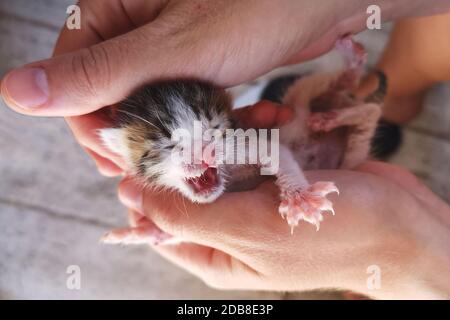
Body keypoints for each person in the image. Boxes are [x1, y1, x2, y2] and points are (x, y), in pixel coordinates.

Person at [1, 0, 449, 299]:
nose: (205, 155)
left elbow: (272, 155)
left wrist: (295, 191)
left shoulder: (233, 146)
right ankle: (395, 94)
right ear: (123, 152)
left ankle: (388, 93)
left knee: (293, 112)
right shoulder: (166, 155)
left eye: (216, 130)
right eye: (171, 146)